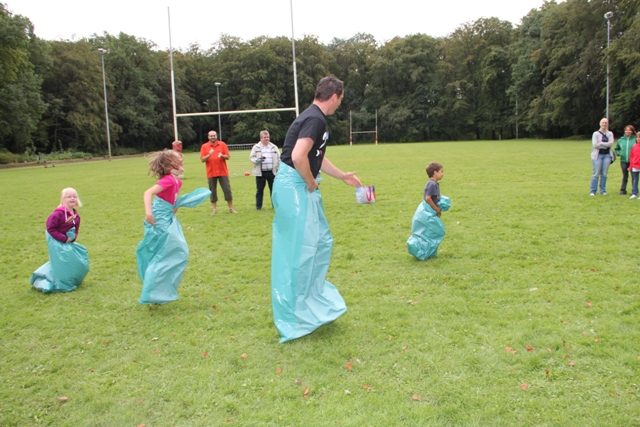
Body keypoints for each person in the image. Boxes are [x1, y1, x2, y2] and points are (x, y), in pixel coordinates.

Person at [271, 75, 362, 343]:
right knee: (300, 252)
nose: (339, 104)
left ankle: (310, 302)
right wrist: (310, 182)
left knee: (319, 244)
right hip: (295, 188)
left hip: (296, 186)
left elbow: (315, 156)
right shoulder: (315, 119)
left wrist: (342, 175)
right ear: (334, 96)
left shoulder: (313, 117)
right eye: (340, 99)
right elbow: (298, 156)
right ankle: (295, 315)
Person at [136, 149, 211, 304]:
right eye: (178, 159)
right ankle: (153, 292)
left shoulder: (177, 181)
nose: (182, 160)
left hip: (168, 217)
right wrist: (149, 214)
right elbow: (148, 193)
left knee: (172, 251)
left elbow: (170, 199)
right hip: (159, 219)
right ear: (170, 165)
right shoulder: (169, 180)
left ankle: (158, 290)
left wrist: (174, 207)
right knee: (169, 252)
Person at [30, 188, 89, 293]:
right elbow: (50, 228)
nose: (72, 198)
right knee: (62, 261)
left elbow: (76, 229)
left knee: (79, 257)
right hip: (57, 242)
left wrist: (73, 238)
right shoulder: (57, 214)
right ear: (63, 199)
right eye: (69, 197)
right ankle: (61, 282)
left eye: (74, 196)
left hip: (68, 242)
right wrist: (63, 239)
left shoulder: (76, 215)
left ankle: (72, 278)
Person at [407, 162, 451, 260]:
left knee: (432, 232)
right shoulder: (432, 184)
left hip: (429, 211)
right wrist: (436, 208)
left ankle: (429, 253)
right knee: (437, 231)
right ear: (435, 172)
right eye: (441, 171)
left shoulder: (433, 183)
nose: (443, 174)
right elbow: (428, 198)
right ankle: (421, 251)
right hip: (427, 212)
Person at [200, 130, 237, 214]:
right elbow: (202, 159)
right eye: (211, 136)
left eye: (214, 135)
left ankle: (231, 208)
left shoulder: (222, 144)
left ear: (216, 136)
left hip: (222, 172)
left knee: (227, 190)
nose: (213, 137)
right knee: (212, 191)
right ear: (208, 137)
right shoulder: (204, 146)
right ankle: (214, 209)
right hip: (211, 172)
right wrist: (209, 155)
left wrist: (222, 156)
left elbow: (228, 157)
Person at [249, 130, 281, 210]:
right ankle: (258, 207)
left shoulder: (274, 147)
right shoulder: (256, 147)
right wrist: (257, 160)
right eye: (265, 137)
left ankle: (275, 206)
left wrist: (277, 167)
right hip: (260, 172)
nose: (266, 139)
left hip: (272, 172)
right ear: (261, 138)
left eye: (267, 137)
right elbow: (251, 157)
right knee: (260, 190)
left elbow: (279, 158)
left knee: (273, 190)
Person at [590, 118, 615, 196]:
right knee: (596, 173)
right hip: (597, 155)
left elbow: (611, 144)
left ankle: (603, 190)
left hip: (607, 155)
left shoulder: (610, 133)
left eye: (606, 123)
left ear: (607, 124)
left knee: (604, 174)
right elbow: (595, 145)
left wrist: (601, 143)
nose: (604, 124)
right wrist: (606, 144)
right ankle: (593, 191)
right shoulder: (596, 134)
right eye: (603, 123)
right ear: (600, 124)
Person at [614, 125, 636, 195]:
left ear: (632, 131)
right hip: (623, 160)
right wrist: (619, 153)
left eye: (629, 130)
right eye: (626, 130)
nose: (627, 131)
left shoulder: (635, 139)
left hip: (633, 161)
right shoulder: (621, 140)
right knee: (625, 175)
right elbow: (616, 149)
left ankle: (634, 191)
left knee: (634, 176)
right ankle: (623, 190)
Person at [628, 132, 640, 199]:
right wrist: (630, 166)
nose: (638, 138)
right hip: (635, 166)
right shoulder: (634, 146)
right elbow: (631, 156)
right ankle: (634, 193)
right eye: (637, 137)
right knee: (635, 180)